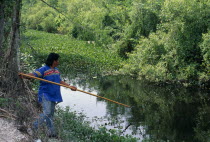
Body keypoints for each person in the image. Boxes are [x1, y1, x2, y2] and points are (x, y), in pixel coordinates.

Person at [20, 53, 77, 138]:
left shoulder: (57, 70)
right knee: (47, 113)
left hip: (54, 95)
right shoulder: (43, 69)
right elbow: (33, 75)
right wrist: (24, 75)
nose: (58, 62)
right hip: (45, 94)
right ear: (53, 61)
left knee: (51, 115)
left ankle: (51, 133)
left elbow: (59, 81)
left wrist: (69, 86)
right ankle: (33, 127)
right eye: (57, 60)